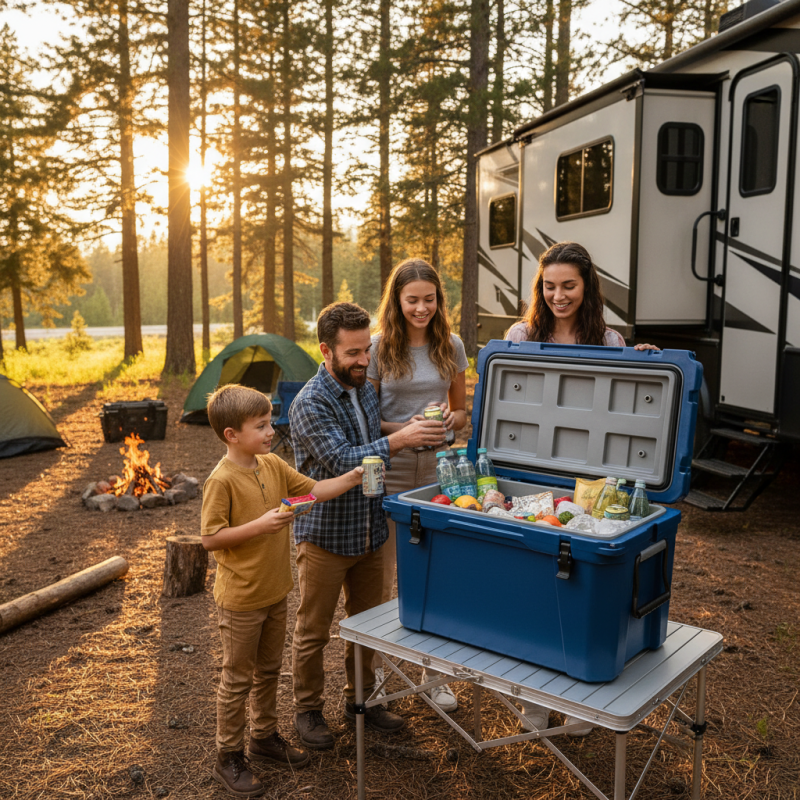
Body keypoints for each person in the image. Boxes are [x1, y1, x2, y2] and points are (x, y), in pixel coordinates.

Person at [506, 240, 657, 738]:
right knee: (531, 590)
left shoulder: (610, 341)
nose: (558, 295)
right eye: (548, 286)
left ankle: (579, 697)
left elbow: (629, 404)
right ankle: (530, 695)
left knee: (580, 591)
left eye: (568, 285)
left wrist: (643, 361)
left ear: (588, 286)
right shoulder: (522, 333)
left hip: (589, 487)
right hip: (532, 477)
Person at [289, 302, 445, 751]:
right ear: (326, 350)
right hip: (325, 535)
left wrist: (407, 426)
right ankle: (308, 710)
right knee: (314, 629)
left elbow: (371, 432)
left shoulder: (363, 388)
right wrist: (401, 440)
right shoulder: (309, 402)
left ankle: (362, 701)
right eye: (354, 353)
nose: (364, 361)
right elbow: (339, 459)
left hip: (370, 530)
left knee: (367, 625)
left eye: (366, 349)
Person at [201, 383, 366, 797]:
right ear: (231, 435)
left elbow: (313, 490)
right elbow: (210, 538)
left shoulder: (272, 464)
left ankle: (263, 736)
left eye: (270, 420)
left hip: (276, 592)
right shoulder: (221, 481)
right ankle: (228, 757)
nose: (271, 429)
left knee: (270, 671)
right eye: (260, 425)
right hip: (241, 600)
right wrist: (262, 525)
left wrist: (353, 475)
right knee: (237, 678)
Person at [367, 258, 468, 712]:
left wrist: (451, 419)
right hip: (390, 469)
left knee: (437, 571)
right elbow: (367, 421)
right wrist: (401, 430)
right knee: (384, 576)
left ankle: (436, 674)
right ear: (397, 300)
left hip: (439, 469)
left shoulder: (453, 346)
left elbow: (463, 413)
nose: (422, 308)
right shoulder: (378, 348)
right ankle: (377, 677)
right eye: (413, 300)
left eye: (429, 299)